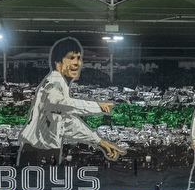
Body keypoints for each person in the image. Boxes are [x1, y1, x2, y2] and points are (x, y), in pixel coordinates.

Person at [18, 37, 124, 165]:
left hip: (43, 152)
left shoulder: (61, 84)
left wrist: (100, 142)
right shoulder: (53, 83)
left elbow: (66, 123)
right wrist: (97, 106)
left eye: (78, 58)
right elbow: (61, 104)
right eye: (71, 58)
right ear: (58, 63)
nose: (77, 63)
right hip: (37, 154)